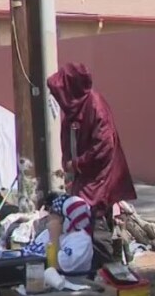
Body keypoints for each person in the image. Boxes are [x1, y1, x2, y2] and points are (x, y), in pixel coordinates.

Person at [47, 63, 136, 269]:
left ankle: (106, 269)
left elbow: (104, 146)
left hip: (99, 177)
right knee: (81, 218)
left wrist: (77, 164)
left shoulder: (95, 107)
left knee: (93, 218)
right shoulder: (74, 108)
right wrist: (69, 167)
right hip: (84, 176)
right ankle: (91, 266)